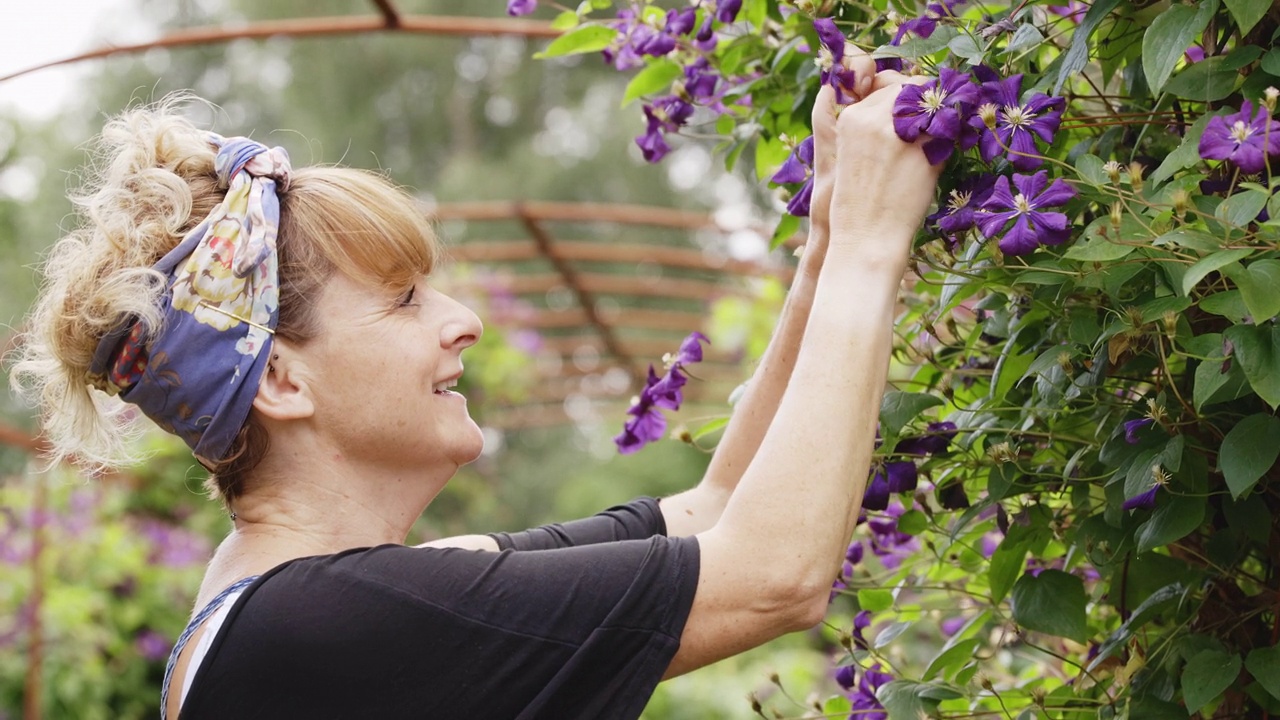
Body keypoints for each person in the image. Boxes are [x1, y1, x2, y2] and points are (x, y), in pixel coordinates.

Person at [11, 50, 940, 719]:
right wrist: (870, 244)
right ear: (284, 381)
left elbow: (718, 505)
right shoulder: (320, 628)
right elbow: (773, 577)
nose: (465, 319)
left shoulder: (310, 604)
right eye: (405, 299)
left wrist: (826, 229)